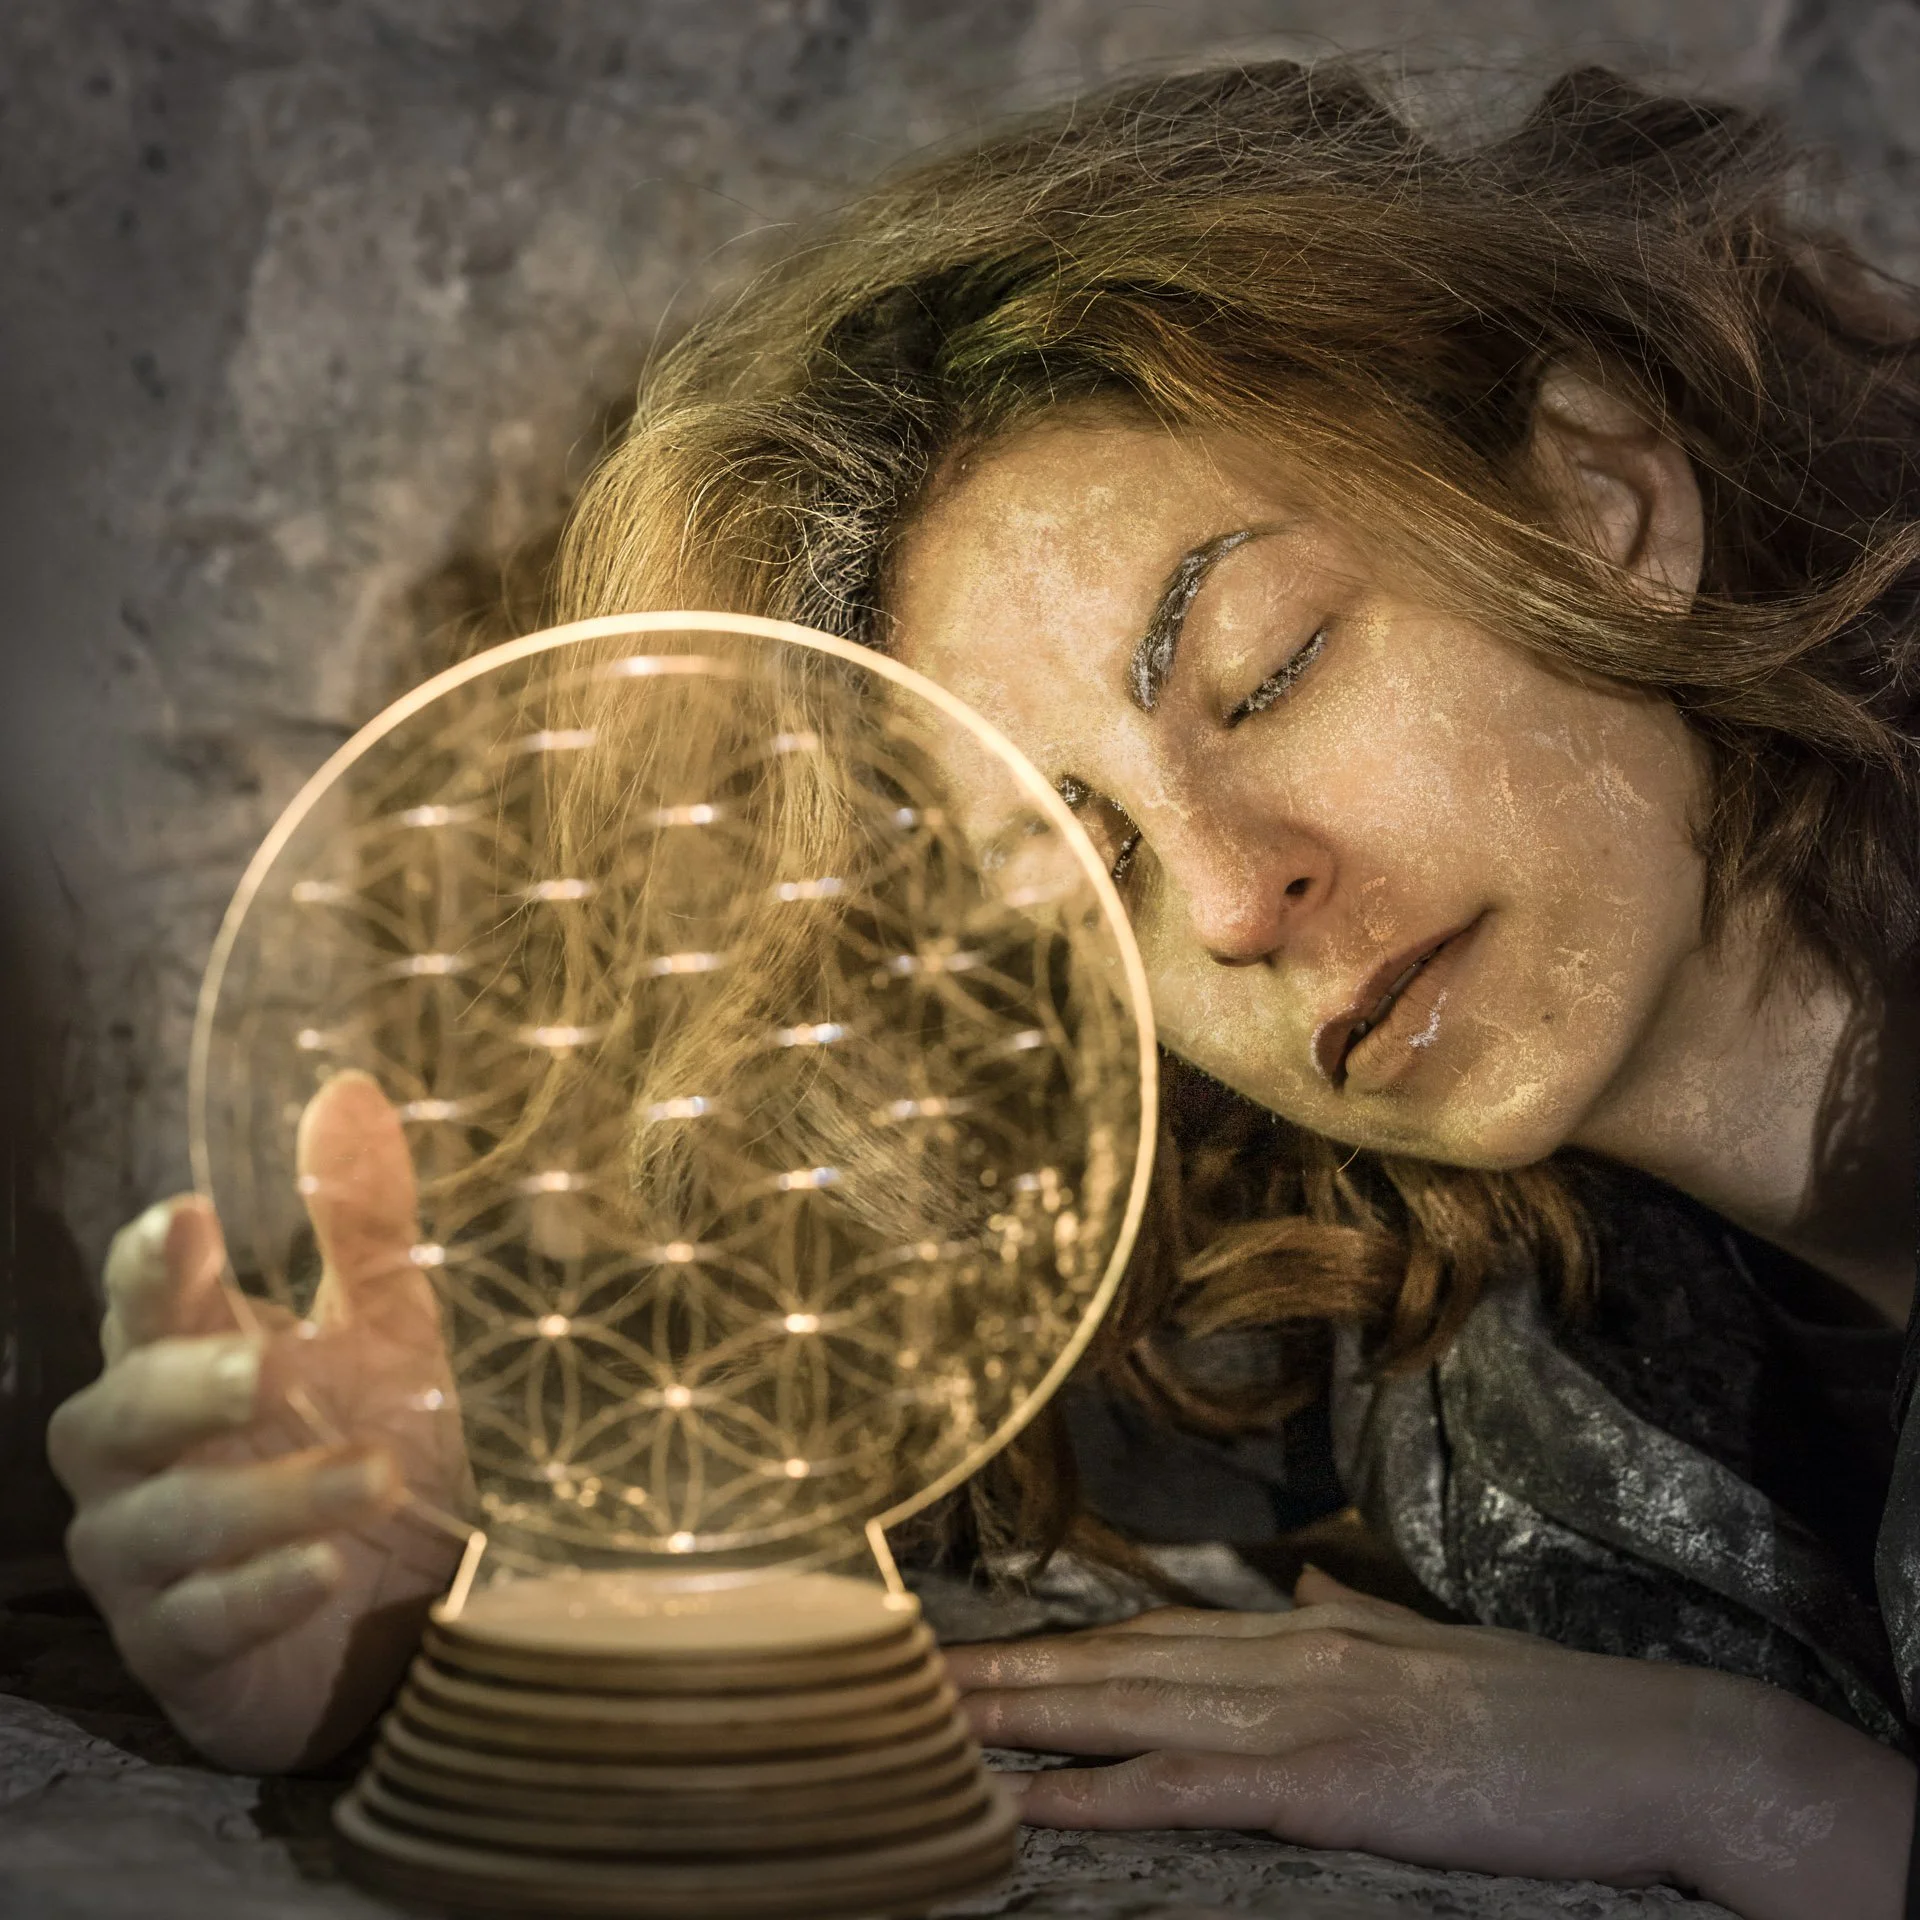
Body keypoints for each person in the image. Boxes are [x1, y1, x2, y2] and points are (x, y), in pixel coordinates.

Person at [44, 59, 1920, 1919]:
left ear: (1601, 497)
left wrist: (1749, 1794)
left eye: (1267, 668)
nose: (1228, 899)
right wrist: (397, 1588)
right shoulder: (1430, 1336)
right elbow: (796, 1436)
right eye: (1085, 861)